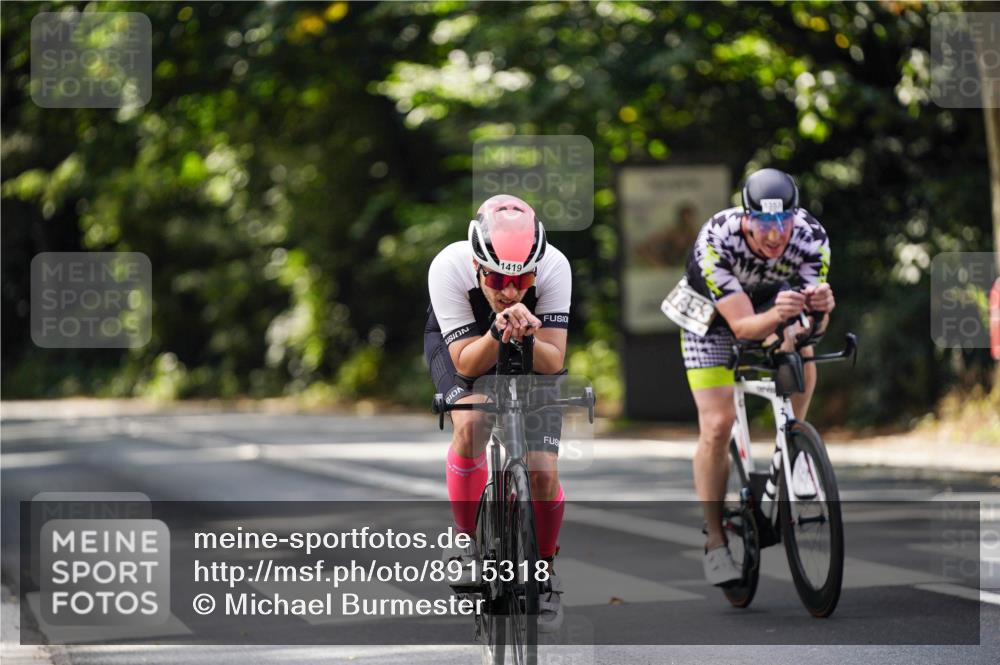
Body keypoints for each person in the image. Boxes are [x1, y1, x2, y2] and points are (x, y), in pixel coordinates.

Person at [662, 168, 835, 585]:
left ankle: (795, 449)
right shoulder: (717, 238)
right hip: (709, 317)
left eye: (783, 222)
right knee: (717, 425)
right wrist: (779, 317)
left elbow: (813, 325)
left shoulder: (811, 236)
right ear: (746, 216)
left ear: (796, 216)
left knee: (802, 348)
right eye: (763, 223)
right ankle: (715, 540)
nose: (775, 235)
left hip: (770, 303)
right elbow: (741, 328)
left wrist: (820, 313)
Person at [424, 194, 572, 631]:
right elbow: (467, 364)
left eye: (522, 280)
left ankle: (544, 571)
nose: (509, 291)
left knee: (543, 471)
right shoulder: (448, 266)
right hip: (466, 342)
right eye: (496, 278)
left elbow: (553, 361)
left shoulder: (555, 267)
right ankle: (465, 540)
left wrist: (525, 336)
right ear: (476, 266)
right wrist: (497, 331)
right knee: (472, 422)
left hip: (532, 347)